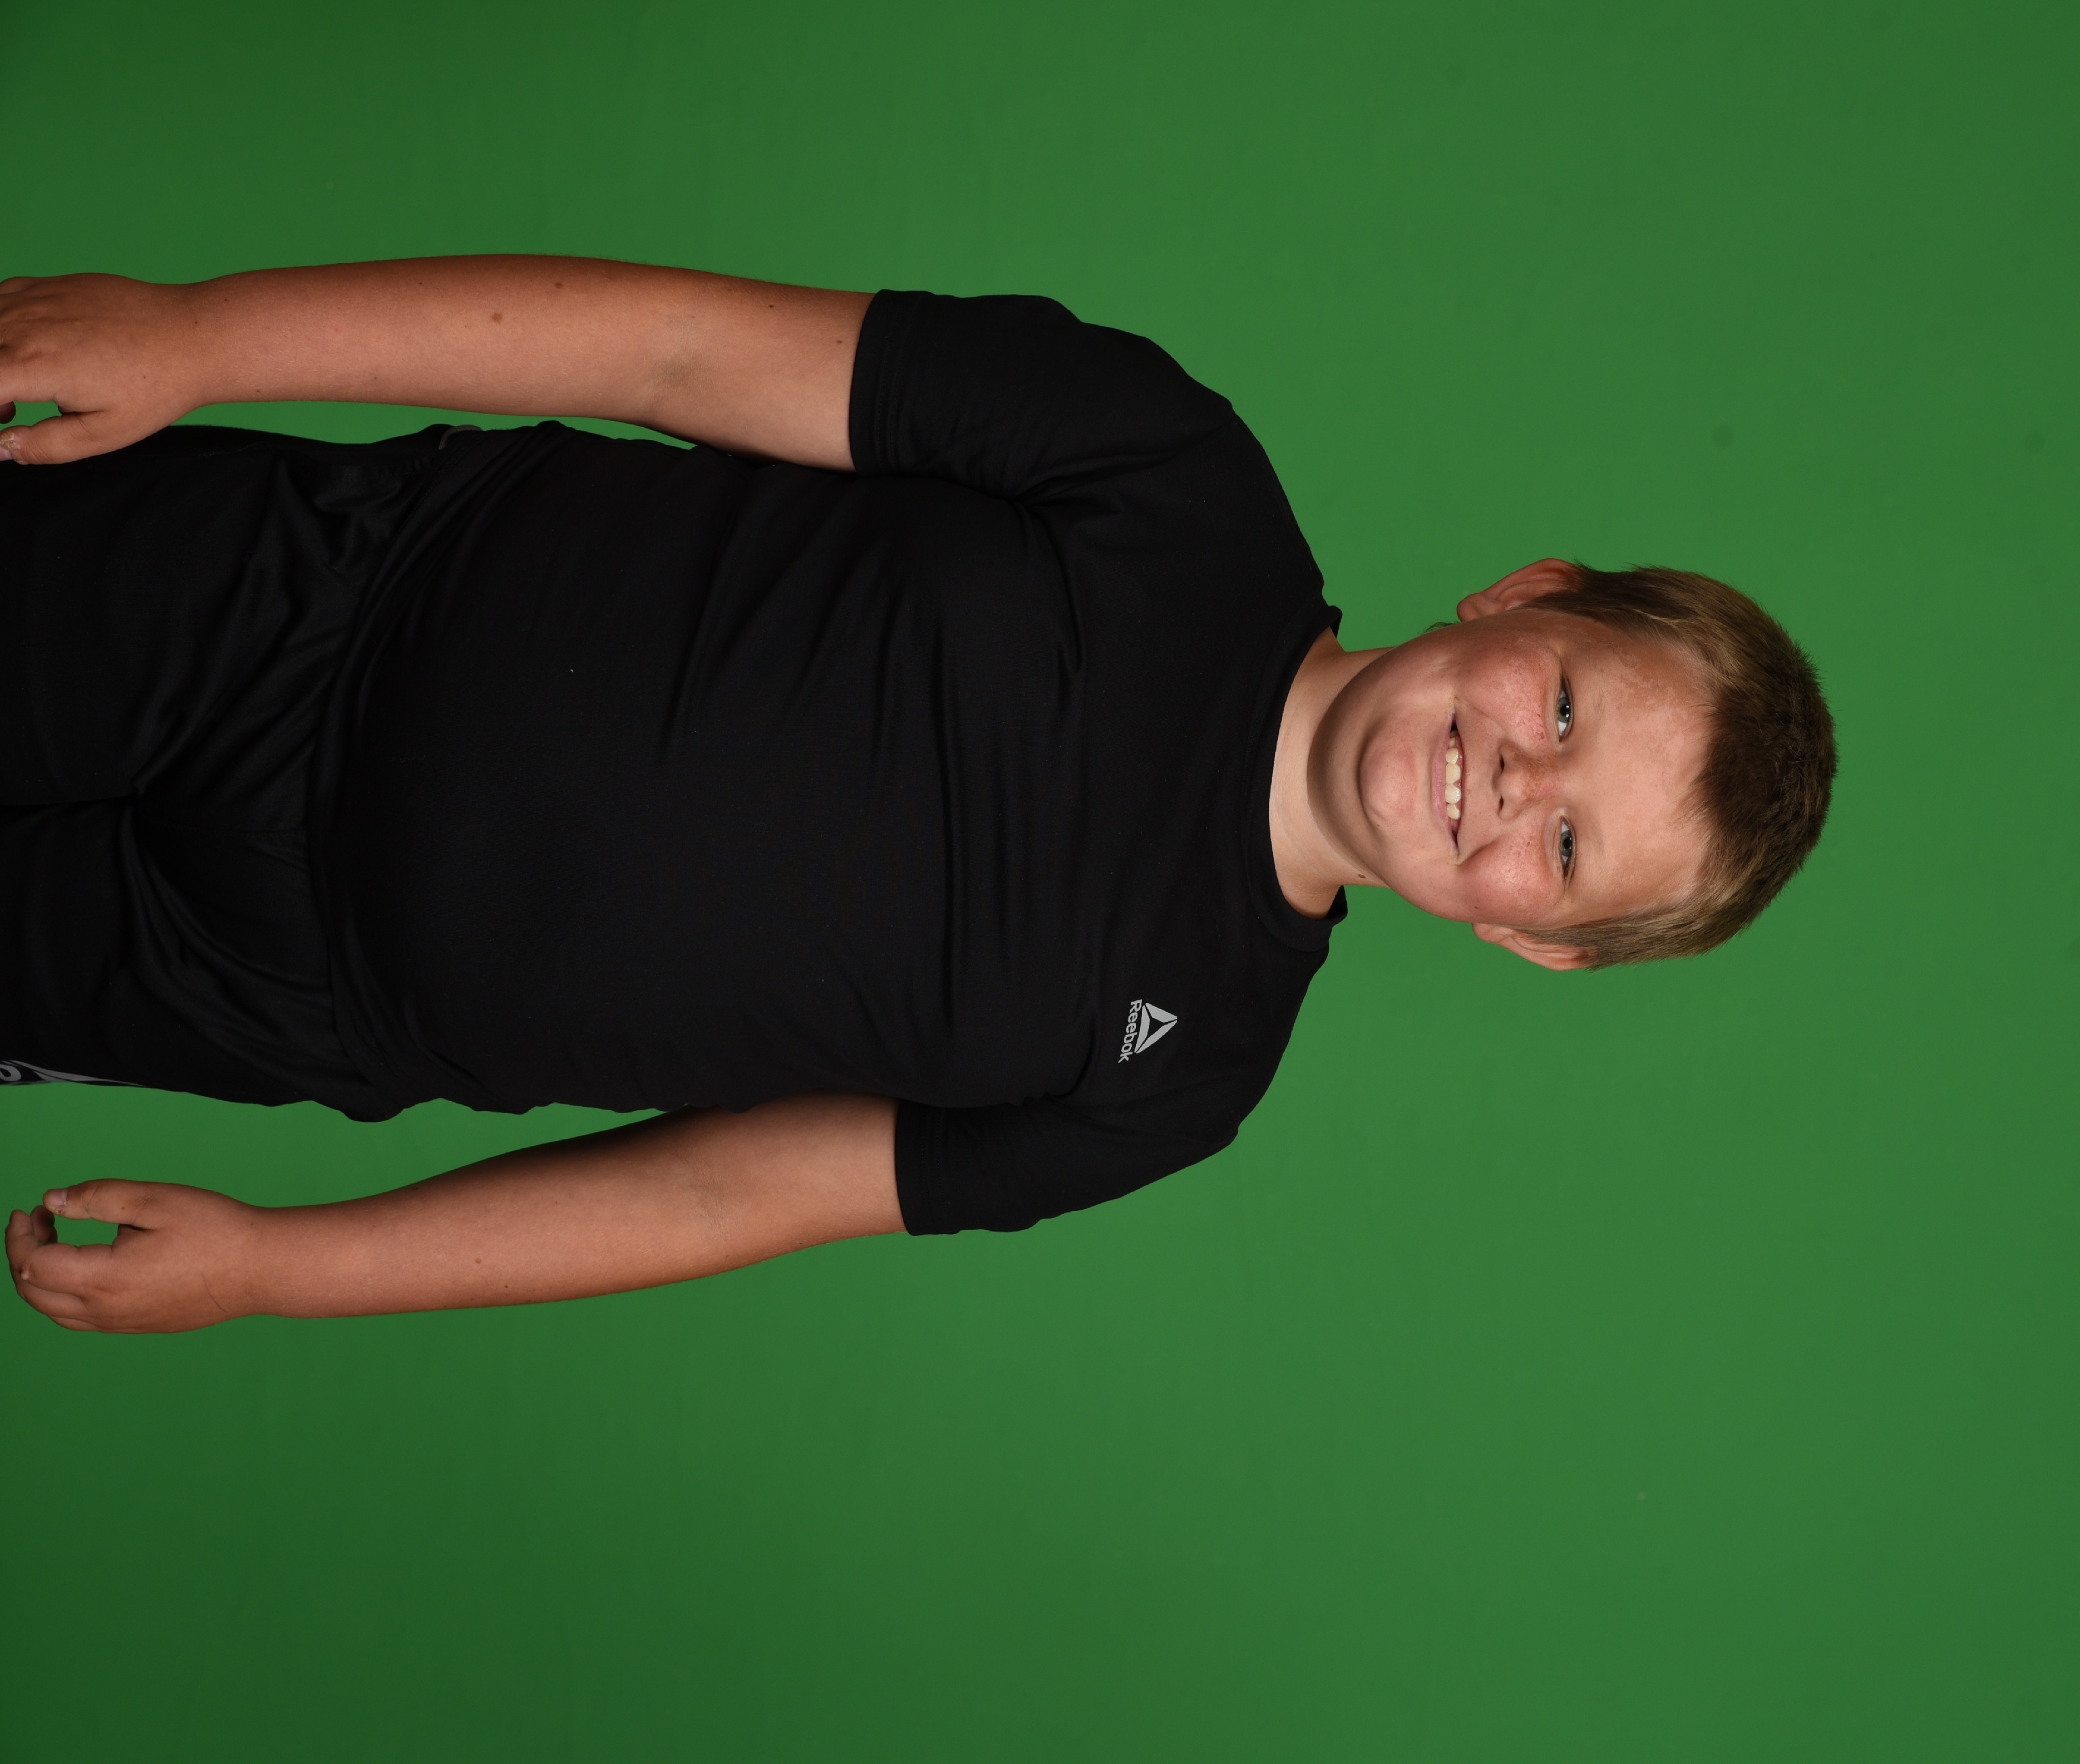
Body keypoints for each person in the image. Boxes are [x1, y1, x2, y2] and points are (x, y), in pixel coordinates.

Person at [0, 257, 1834, 1333]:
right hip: (295, 602)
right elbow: (672, 349)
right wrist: (201, 337)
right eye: (1566, 705)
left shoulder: (1179, 1080)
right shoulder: (1173, 478)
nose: (1513, 779)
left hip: (270, 980)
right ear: (1523, 596)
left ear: (1537, 941)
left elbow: (715, 1193)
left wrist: (288, 1268)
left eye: (1567, 843)